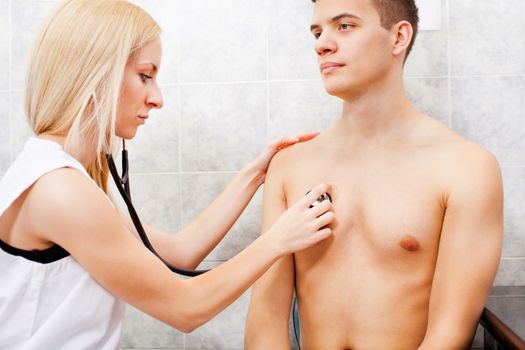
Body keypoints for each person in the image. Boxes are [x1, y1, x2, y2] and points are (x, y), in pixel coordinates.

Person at [0, 0, 336, 349]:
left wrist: (254, 174)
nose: (157, 98)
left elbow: (179, 253)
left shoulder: (55, 176)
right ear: (95, 73)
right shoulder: (59, 191)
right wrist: (279, 239)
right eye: (146, 75)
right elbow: (185, 307)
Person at [245, 0, 503, 349]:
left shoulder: (465, 169)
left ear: (398, 37)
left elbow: (449, 333)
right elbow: (266, 323)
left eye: (345, 26)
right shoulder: (290, 165)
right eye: (317, 32)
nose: (321, 43)